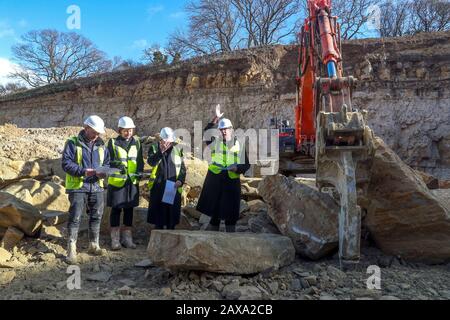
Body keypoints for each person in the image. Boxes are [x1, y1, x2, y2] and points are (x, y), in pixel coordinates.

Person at [62, 115, 110, 264]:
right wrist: (83, 171)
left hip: (96, 186)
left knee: (97, 216)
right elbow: (66, 163)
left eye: (98, 133)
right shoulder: (72, 143)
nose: (96, 135)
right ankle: (71, 249)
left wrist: (104, 172)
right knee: (75, 217)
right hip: (78, 187)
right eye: (94, 132)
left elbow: (107, 163)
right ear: (86, 128)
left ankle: (93, 244)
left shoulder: (102, 145)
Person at [197, 108, 250, 233]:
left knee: (230, 213)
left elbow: (246, 164)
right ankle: (213, 238)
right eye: (221, 129)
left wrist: (237, 168)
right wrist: (215, 119)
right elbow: (206, 132)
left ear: (231, 129)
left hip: (231, 181)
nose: (224, 131)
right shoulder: (215, 142)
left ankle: (230, 239)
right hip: (215, 179)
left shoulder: (239, 145)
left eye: (226, 129)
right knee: (214, 212)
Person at [106, 117, 144, 250]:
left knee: (129, 210)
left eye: (130, 130)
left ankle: (127, 238)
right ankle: (115, 240)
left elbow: (139, 161)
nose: (128, 133)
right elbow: (107, 160)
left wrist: (139, 173)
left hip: (131, 181)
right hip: (117, 182)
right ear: (119, 130)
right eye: (125, 131)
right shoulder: (112, 143)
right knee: (116, 210)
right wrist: (117, 165)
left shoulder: (137, 143)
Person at [147, 127, 186, 230]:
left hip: (173, 186)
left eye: (170, 141)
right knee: (159, 218)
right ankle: (157, 242)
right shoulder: (154, 148)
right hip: (158, 186)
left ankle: (170, 241)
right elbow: (151, 162)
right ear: (161, 139)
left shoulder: (177, 149)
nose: (168, 143)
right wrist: (161, 152)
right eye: (166, 141)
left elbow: (182, 168)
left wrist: (180, 180)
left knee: (171, 217)